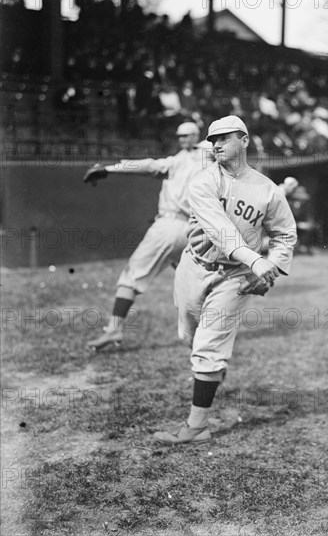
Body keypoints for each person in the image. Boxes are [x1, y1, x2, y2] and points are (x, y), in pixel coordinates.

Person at [153, 116, 297, 444]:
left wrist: (270, 267)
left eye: (224, 137)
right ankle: (212, 371)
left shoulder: (267, 190)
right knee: (187, 333)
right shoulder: (203, 181)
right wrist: (257, 260)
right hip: (194, 264)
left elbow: (286, 233)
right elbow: (221, 231)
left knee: (208, 348)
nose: (216, 144)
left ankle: (197, 426)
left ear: (244, 140)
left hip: (236, 277)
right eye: (212, 138)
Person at [83, 122, 213, 350]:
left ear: (194, 136)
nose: (182, 140)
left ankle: (114, 329)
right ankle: (204, 336)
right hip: (193, 230)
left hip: (169, 225)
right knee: (194, 285)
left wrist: (109, 168)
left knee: (130, 278)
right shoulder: (211, 159)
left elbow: (145, 165)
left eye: (186, 136)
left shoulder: (178, 160)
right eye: (180, 136)